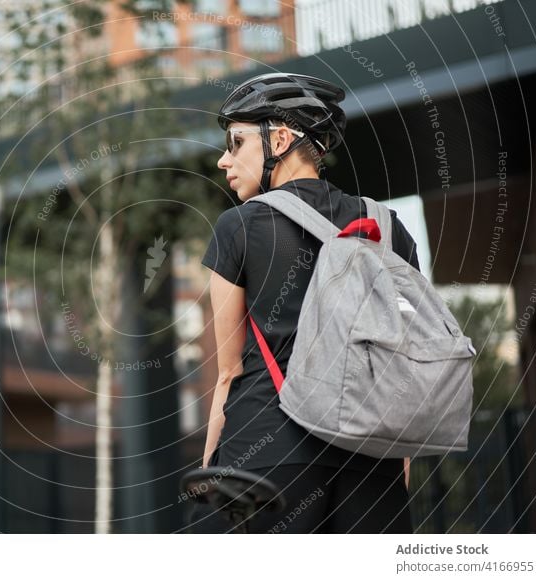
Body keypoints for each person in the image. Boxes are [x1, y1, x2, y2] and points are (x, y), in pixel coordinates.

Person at [192, 72, 419, 534]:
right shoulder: (387, 226)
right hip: (371, 453)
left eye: (235, 143)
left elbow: (229, 372)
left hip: (266, 452)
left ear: (279, 138)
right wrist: (398, 462)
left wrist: (210, 466)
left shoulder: (239, 227)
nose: (223, 160)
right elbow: (403, 360)